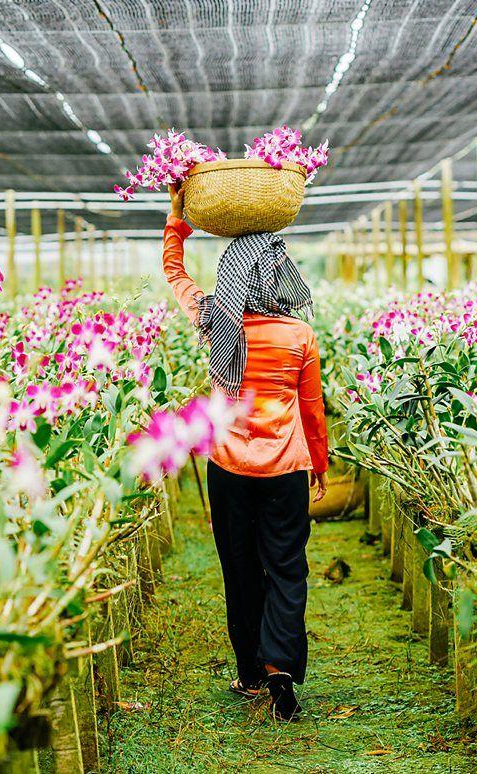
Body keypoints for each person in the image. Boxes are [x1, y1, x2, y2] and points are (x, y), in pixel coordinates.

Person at [162, 184, 328, 722]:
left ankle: (251, 673)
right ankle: (281, 673)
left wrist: (177, 217)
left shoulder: (217, 321)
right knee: (286, 566)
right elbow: (311, 410)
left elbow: (175, 274)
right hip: (285, 467)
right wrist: (319, 465)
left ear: (232, 276)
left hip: (227, 466)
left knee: (238, 568)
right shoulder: (299, 334)